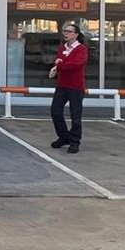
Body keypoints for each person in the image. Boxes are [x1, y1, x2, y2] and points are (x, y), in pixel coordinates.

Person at [49, 22, 88, 154]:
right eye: (65, 31)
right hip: (62, 84)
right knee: (55, 111)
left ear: (76, 35)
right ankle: (64, 136)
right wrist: (58, 66)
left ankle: (75, 142)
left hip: (76, 86)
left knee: (75, 115)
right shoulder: (62, 48)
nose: (66, 33)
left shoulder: (81, 49)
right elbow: (59, 61)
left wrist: (60, 65)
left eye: (69, 31)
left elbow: (75, 64)